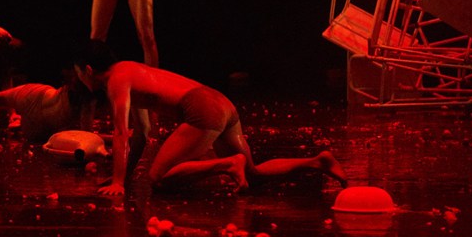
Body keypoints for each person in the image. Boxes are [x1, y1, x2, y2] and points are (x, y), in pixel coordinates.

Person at [72, 39, 347, 195]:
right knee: (253, 174)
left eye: (78, 74)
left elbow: (122, 133)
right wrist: (123, 177)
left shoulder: (116, 81)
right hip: (220, 101)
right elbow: (141, 134)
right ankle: (318, 161)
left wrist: (118, 182)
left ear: (87, 70)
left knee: (158, 179)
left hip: (201, 108)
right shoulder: (129, 70)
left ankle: (227, 164)